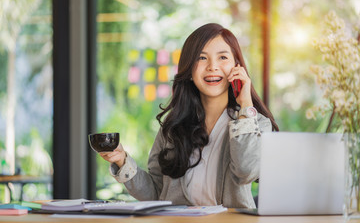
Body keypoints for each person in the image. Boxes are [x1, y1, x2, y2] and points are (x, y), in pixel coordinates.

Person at [99, 23, 279, 208]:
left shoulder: (256, 124)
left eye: (223, 57)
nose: (212, 67)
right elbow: (156, 193)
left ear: (237, 67)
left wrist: (246, 105)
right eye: (202, 58)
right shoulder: (173, 127)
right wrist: (122, 161)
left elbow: (246, 170)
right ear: (190, 70)